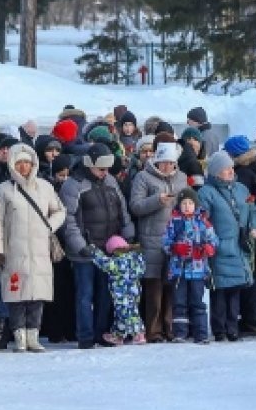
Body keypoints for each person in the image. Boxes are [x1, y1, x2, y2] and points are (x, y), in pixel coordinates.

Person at [60, 143, 135, 349]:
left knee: (106, 294)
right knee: (85, 295)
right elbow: (69, 219)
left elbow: (123, 211)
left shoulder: (110, 181)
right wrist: (80, 245)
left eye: (107, 169)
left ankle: (102, 332)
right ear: (89, 165)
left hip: (109, 249)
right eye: (101, 169)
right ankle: (85, 336)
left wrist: (128, 235)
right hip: (85, 251)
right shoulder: (73, 185)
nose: (105, 173)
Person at [0, 143, 66, 352]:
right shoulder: (3, 190)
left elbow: (60, 210)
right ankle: (19, 336)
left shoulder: (45, 187)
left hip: (40, 249)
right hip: (13, 249)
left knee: (37, 295)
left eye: (27, 162)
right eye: (19, 163)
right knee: (17, 296)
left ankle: (33, 335)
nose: (24, 167)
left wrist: (49, 226)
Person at [197, 150, 256, 341]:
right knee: (219, 291)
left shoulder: (242, 189)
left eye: (231, 168)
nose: (231, 172)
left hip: (240, 246)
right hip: (219, 247)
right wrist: (209, 239)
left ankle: (232, 327)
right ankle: (219, 328)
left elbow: (252, 210)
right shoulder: (206, 192)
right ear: (216, 172)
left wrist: (254, 227)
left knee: (236, 290)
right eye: (226, 169)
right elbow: (202, 219)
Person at [129, 141, 187, 343]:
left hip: (174, 239)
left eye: (171, 163)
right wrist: (157, 200)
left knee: (171, 285)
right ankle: (153, 330)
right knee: (153, 287)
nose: (167, 167)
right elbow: (135, 206)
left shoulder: (181, 178)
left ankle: (169, 327)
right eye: (163, 163)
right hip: (151, 239)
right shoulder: (143, 177)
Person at [160, 187, 218, 343]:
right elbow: (165, 242)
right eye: (184, 203)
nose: (187, 206)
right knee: (179, 302)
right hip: (179, 270)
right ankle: (180, 333)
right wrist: (174, 247)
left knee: (198, 302)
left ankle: (201, 333)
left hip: (198, 269)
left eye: (190, 203)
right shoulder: (174, 221)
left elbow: (213, 240)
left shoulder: (203, 222)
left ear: (195, 205)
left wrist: (208, 248)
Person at [88, 236, 146, 345]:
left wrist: (94, 251)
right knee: (130, 312)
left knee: (125, 314)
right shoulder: (136, 258)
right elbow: (141, 270)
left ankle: (137, 334)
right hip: (134, 291)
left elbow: (104, 263)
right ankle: (120, 334)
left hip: (121, 293)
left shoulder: (118, 261)